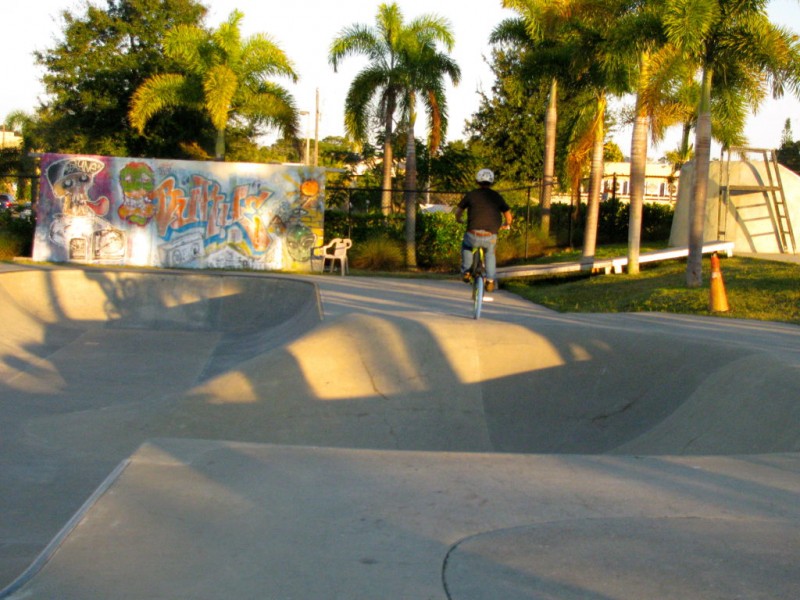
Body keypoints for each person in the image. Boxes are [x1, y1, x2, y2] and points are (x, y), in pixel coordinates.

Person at [454, 168, 512, 292]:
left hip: (472, 233)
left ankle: (466, 271)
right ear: (491, 182)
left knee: (467, 247)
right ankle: (490, 280)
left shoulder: (471, 194)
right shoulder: (496, 196)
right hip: (490, 235)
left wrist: (458, 219)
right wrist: (506, 224)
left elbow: (458, 211)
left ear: (477, 181)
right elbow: (508, 215)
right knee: (490, 254)